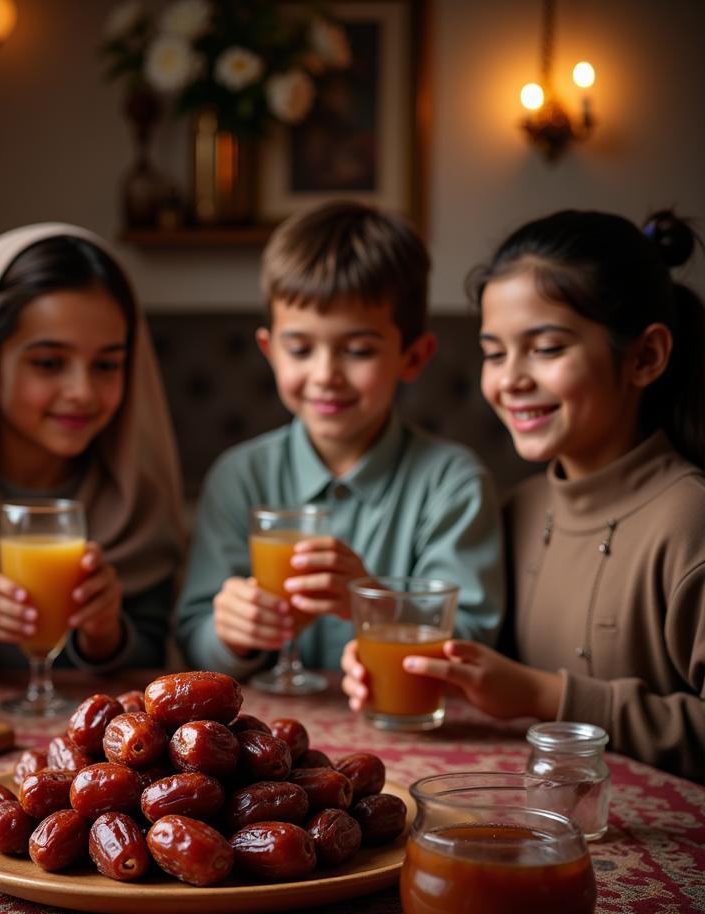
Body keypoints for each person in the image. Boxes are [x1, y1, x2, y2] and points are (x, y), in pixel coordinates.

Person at [341, 209, 705, 781]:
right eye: (494, 352)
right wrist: (409, 669)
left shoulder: (689, 519)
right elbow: (488, 679)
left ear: (645, 357)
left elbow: (532, 693)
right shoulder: (517, 509)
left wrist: (548, 694)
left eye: (546, 348)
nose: (510, 379)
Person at [176, 200, 505, 679]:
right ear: (270, 352)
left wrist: (372, 605)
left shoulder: (453, 484)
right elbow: (193, 635)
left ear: (413, 357)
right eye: (301, 349)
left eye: (357, 350)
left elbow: (471, 642)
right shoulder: (238, 478)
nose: (326, 375)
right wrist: (230, 634)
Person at [0, 224, 185, 674]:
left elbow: (154, 653)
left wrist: (105, 633)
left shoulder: (136, 499)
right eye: (48, 363)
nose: (82, 391)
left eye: (106, 365)